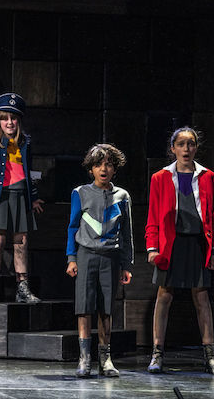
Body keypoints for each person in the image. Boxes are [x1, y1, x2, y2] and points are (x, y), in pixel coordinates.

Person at [145, 127, 214, 376]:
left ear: (196, 148)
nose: (186, 149)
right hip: (171, 244)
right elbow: (153, 215)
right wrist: (152, 247)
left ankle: (210, 356)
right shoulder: (160, 177)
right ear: (173, 149)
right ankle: (157, 353)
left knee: (202, 297)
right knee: (164, 296)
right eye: (181, 144)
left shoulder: (208, 177)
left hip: (197, 244)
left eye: (190, 144)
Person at [66, 144, 133, 378]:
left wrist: (126, 264)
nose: (103, 169)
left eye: (108, 164)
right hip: (86, 255)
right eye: (98, 165)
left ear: (115, 168)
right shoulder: (80, 193)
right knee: (84, 307)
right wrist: (72, 258)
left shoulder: (122, 196)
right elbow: (73, 226)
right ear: (91, 169)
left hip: (111, 257)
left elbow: (127, 233)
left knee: (106, 309)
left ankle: (105, 359)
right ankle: (84, 358)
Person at [0, 93, 44, 303]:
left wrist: (34, 197)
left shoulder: (25, 142)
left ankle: (23, 288)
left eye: (13, 118)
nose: (9, 122)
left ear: (19, 120)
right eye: (5, 119)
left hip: (20, 197)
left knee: (21, 242)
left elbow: (28, 173)